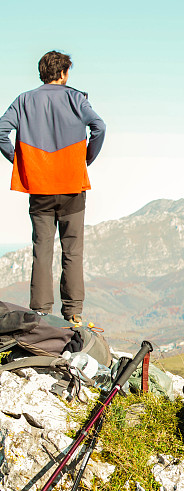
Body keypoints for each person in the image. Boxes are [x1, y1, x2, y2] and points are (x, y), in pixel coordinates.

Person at [0, 50, 106, 325]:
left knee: (42, 250)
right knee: (72, 250)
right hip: (72, 186)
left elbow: (1, 132)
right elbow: (99, 126)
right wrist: (86, 159)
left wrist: (21, 163)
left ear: (42, 73)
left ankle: (41, 312)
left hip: (39, 187)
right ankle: (73, 313)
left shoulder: (24, 100)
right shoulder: (76, 98)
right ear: (64, 73)